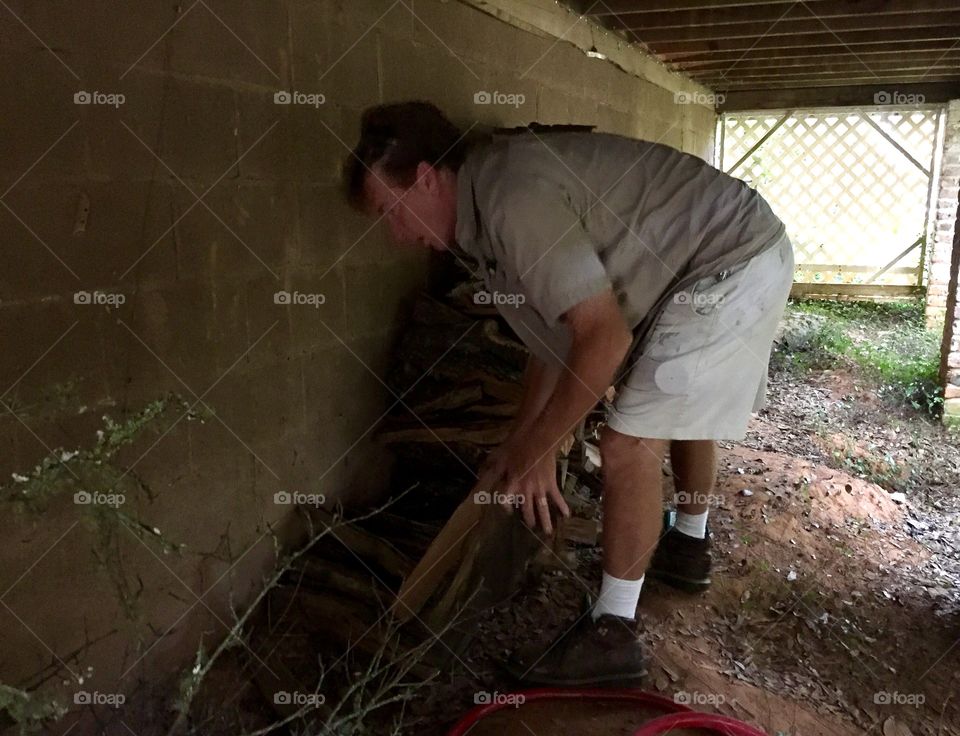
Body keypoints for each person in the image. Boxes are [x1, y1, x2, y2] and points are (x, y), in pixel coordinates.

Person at [343, 101, 794, 686]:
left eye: (391, 210)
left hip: (731, 260)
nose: (397, 235)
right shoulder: (486, 215)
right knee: (676, 403)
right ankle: (688, 547)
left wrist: (539, 453)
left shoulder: (509, 197)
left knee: (628, 442)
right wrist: (522, 444)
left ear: (427, 177)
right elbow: (555, 343)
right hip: (715, 255)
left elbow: (602, 338)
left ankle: (612, 637)